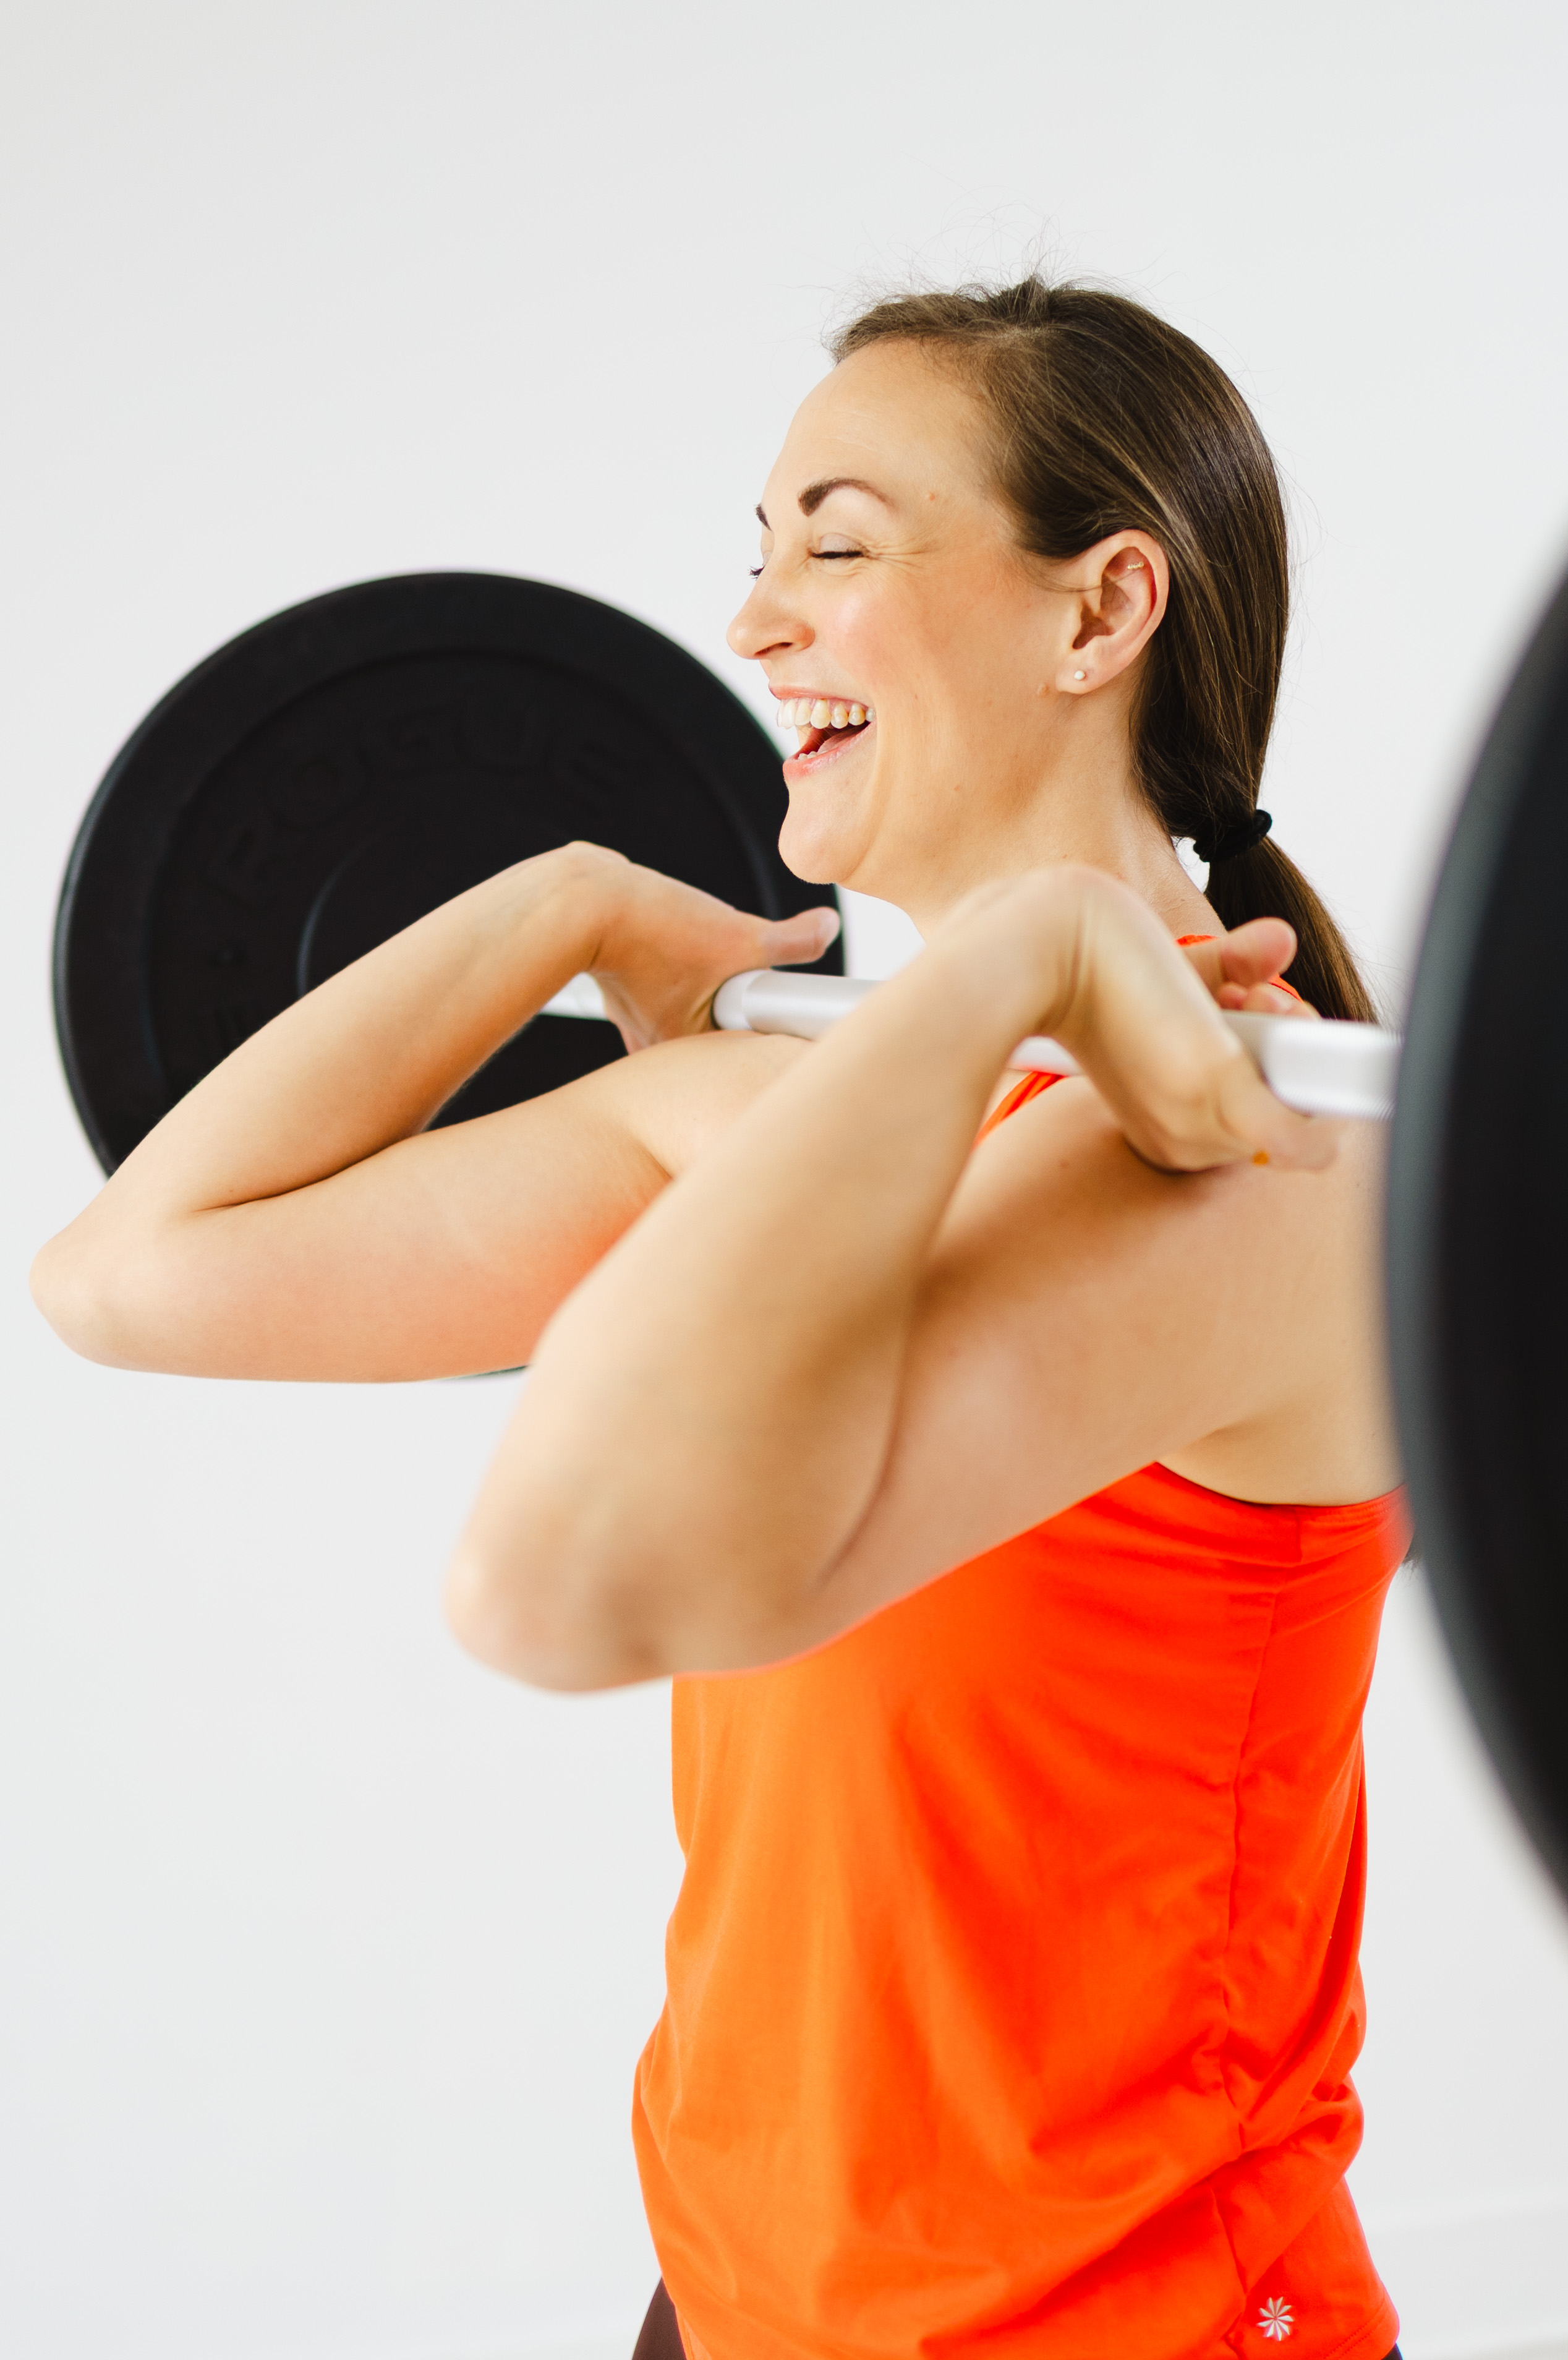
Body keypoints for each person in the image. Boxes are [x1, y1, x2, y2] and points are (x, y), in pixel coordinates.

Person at [32, 279, 1405, 2360]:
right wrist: (563, 901)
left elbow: (562, 1584)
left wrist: (1010, 968)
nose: (757, 627)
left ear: (1096, 610)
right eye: (754, 556)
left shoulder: (1242, 1165)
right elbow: (134, 1277)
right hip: (744, 2300)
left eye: (835, 547)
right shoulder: (803, 1102)